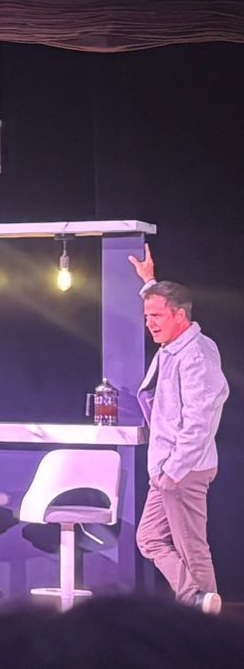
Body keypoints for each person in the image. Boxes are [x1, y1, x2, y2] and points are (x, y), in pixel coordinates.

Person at [127, 245, 228, 614]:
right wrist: (149, 282)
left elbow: (198, 422)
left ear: (180, 316)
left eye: (156, 316)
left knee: (191, 547)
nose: (150, 323)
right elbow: (162, 303)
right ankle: (197, 601)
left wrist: (173, 471)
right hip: (167, 467)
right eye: (147, 316)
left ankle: (203, 621)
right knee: (149, 538)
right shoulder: (176, 345)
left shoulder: (196, 355)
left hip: (184, 469)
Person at [0, 594, 244, 669]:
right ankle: (197, 596)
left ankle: (200, 593)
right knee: (151, 537)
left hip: (178, 469)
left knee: (187, 540)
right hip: (164, 469)